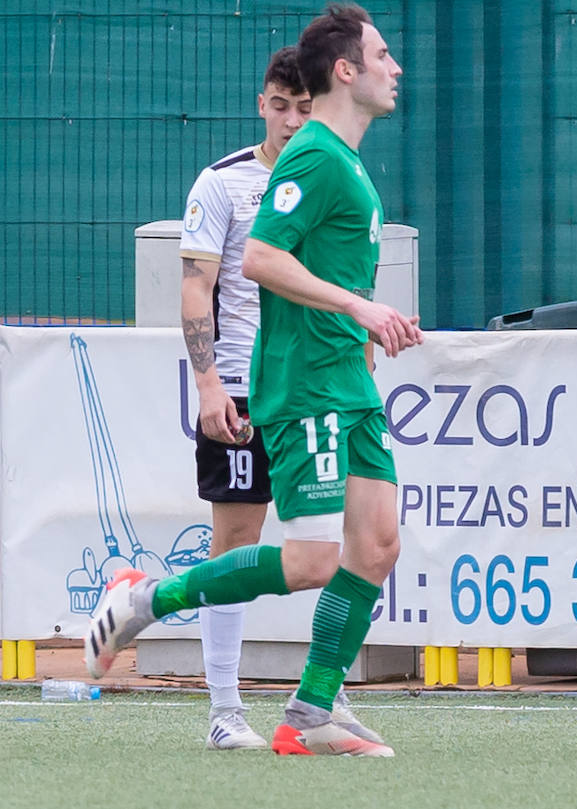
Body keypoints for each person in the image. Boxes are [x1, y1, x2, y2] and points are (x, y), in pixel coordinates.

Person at [87, 2, 421, 757]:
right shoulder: (312, 155)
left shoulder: (345, 158)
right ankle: (146, 598)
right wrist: (361, 305)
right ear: (347, 69)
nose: (394, 66)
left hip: (348, 382)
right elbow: (261, 258)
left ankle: (310, 711)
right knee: (315, 560)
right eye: (382, 53)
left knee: (377, 544)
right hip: (307, 385)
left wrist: (367, 324)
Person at [177, 44, 383, 752]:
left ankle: (325, 697)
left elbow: (346, 277)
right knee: (238, 538)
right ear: (261, 103)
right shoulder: (223, 184)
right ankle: (224, 708)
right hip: (241, 387)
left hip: (318, 388)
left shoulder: (332, 166)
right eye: (279, 105)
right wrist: (208, 384)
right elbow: (198, 285)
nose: (292, 119)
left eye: (303, 106)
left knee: (341, 540)